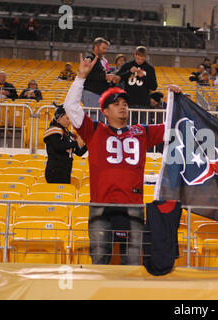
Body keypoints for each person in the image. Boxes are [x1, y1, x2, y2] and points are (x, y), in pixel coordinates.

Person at [63, 53, 182, 265]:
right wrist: (81, 77)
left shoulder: (141, 131)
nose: (122, 106)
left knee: (134, 262)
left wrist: (176, 99)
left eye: (124, 103)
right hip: (102, 205)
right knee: (99, 260)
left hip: (132, 206)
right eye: (116, 103)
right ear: (105, 111)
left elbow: (174, 127)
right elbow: (71, 107)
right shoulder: (94, 130)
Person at [43, 103, 87, 184]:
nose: (69, 121)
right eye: (67, 118)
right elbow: (58, 146)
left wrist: (88, 142)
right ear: (58, 118)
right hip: (55, 171)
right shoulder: (53, 129)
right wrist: (76, 143)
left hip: (65, 171)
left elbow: (79, 152)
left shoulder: (68, 133)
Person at [114, 46, 158, 124]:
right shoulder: (127, 65)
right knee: (128, 128)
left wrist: (143, 77)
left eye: (142, 59)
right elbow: (117, 79)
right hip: (129, 103)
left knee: (143, 129)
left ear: (145, 57)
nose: (140, 61)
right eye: (138, 59)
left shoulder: (149, 68)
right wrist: (129, 72)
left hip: (144, 104)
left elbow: (154, 86)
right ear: (135, 55)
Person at [82, 37, 113, 116]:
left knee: (100, 122)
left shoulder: (101, 61)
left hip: (100, 95)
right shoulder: (89, 59)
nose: (105, 51)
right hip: (91, 93)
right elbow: (86, 74)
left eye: (106, 48)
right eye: (103, 48)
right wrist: (105, 76)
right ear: (96, 47)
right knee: (92, 120)